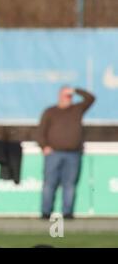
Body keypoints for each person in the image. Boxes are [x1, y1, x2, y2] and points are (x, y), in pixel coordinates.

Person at [37, 86, 95, 219]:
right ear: (59, 96)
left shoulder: (77, 110)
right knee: (49, 183)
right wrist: (44, 146)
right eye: (65, 95)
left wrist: (75, 90)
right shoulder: (50, 112)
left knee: (69, 184)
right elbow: (40, 132)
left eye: (69, 96)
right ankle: (46, 213)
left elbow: (91, 99)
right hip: (53, 154)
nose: (67, 98)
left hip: (73, 154)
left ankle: (67, 213)